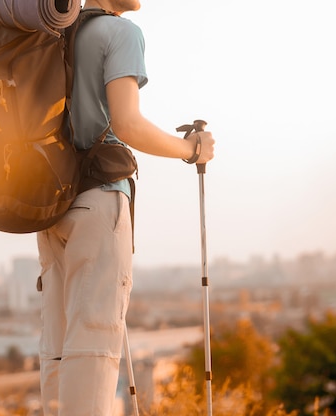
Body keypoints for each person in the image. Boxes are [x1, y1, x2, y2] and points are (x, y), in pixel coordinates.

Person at [36, 0, 215, 414]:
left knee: (59, 349)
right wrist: (192, 150)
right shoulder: (120, 33)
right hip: (98, 202)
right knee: (94, 345)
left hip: (48, 204)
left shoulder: (52, 31)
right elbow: (128, 124)